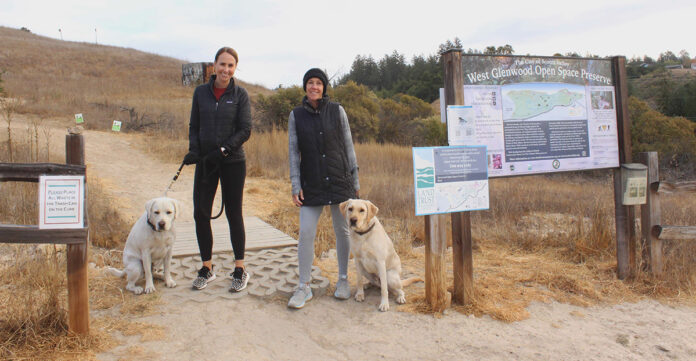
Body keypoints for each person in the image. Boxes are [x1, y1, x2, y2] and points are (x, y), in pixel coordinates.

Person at [287, 68, 360, 309]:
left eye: (318, 83)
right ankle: (304, 286)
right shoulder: (296, 115)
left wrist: (355, 180)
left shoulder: (338, 110)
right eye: (310, 83)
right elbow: (293, 153)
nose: (314, 87)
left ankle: (342, 280)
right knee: (306, 232)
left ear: (324, 87)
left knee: (343, 232)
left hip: (340, 181)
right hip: (312, 184)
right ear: (305, 87)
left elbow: (348, 146)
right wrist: (295, 184)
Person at [182, 47, 251, 292]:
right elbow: (194, 125)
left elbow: (245, 130)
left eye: (231, 66)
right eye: (222, 64)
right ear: (214, 65)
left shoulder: (240, 94)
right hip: (205, 162)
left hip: (232, 162)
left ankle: (240, 269)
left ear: (235, 68)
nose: (226, 70)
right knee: (201, 213)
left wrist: (223, 150)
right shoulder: (200, 93)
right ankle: (207, 267)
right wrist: (194, 150)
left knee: (234, 214)